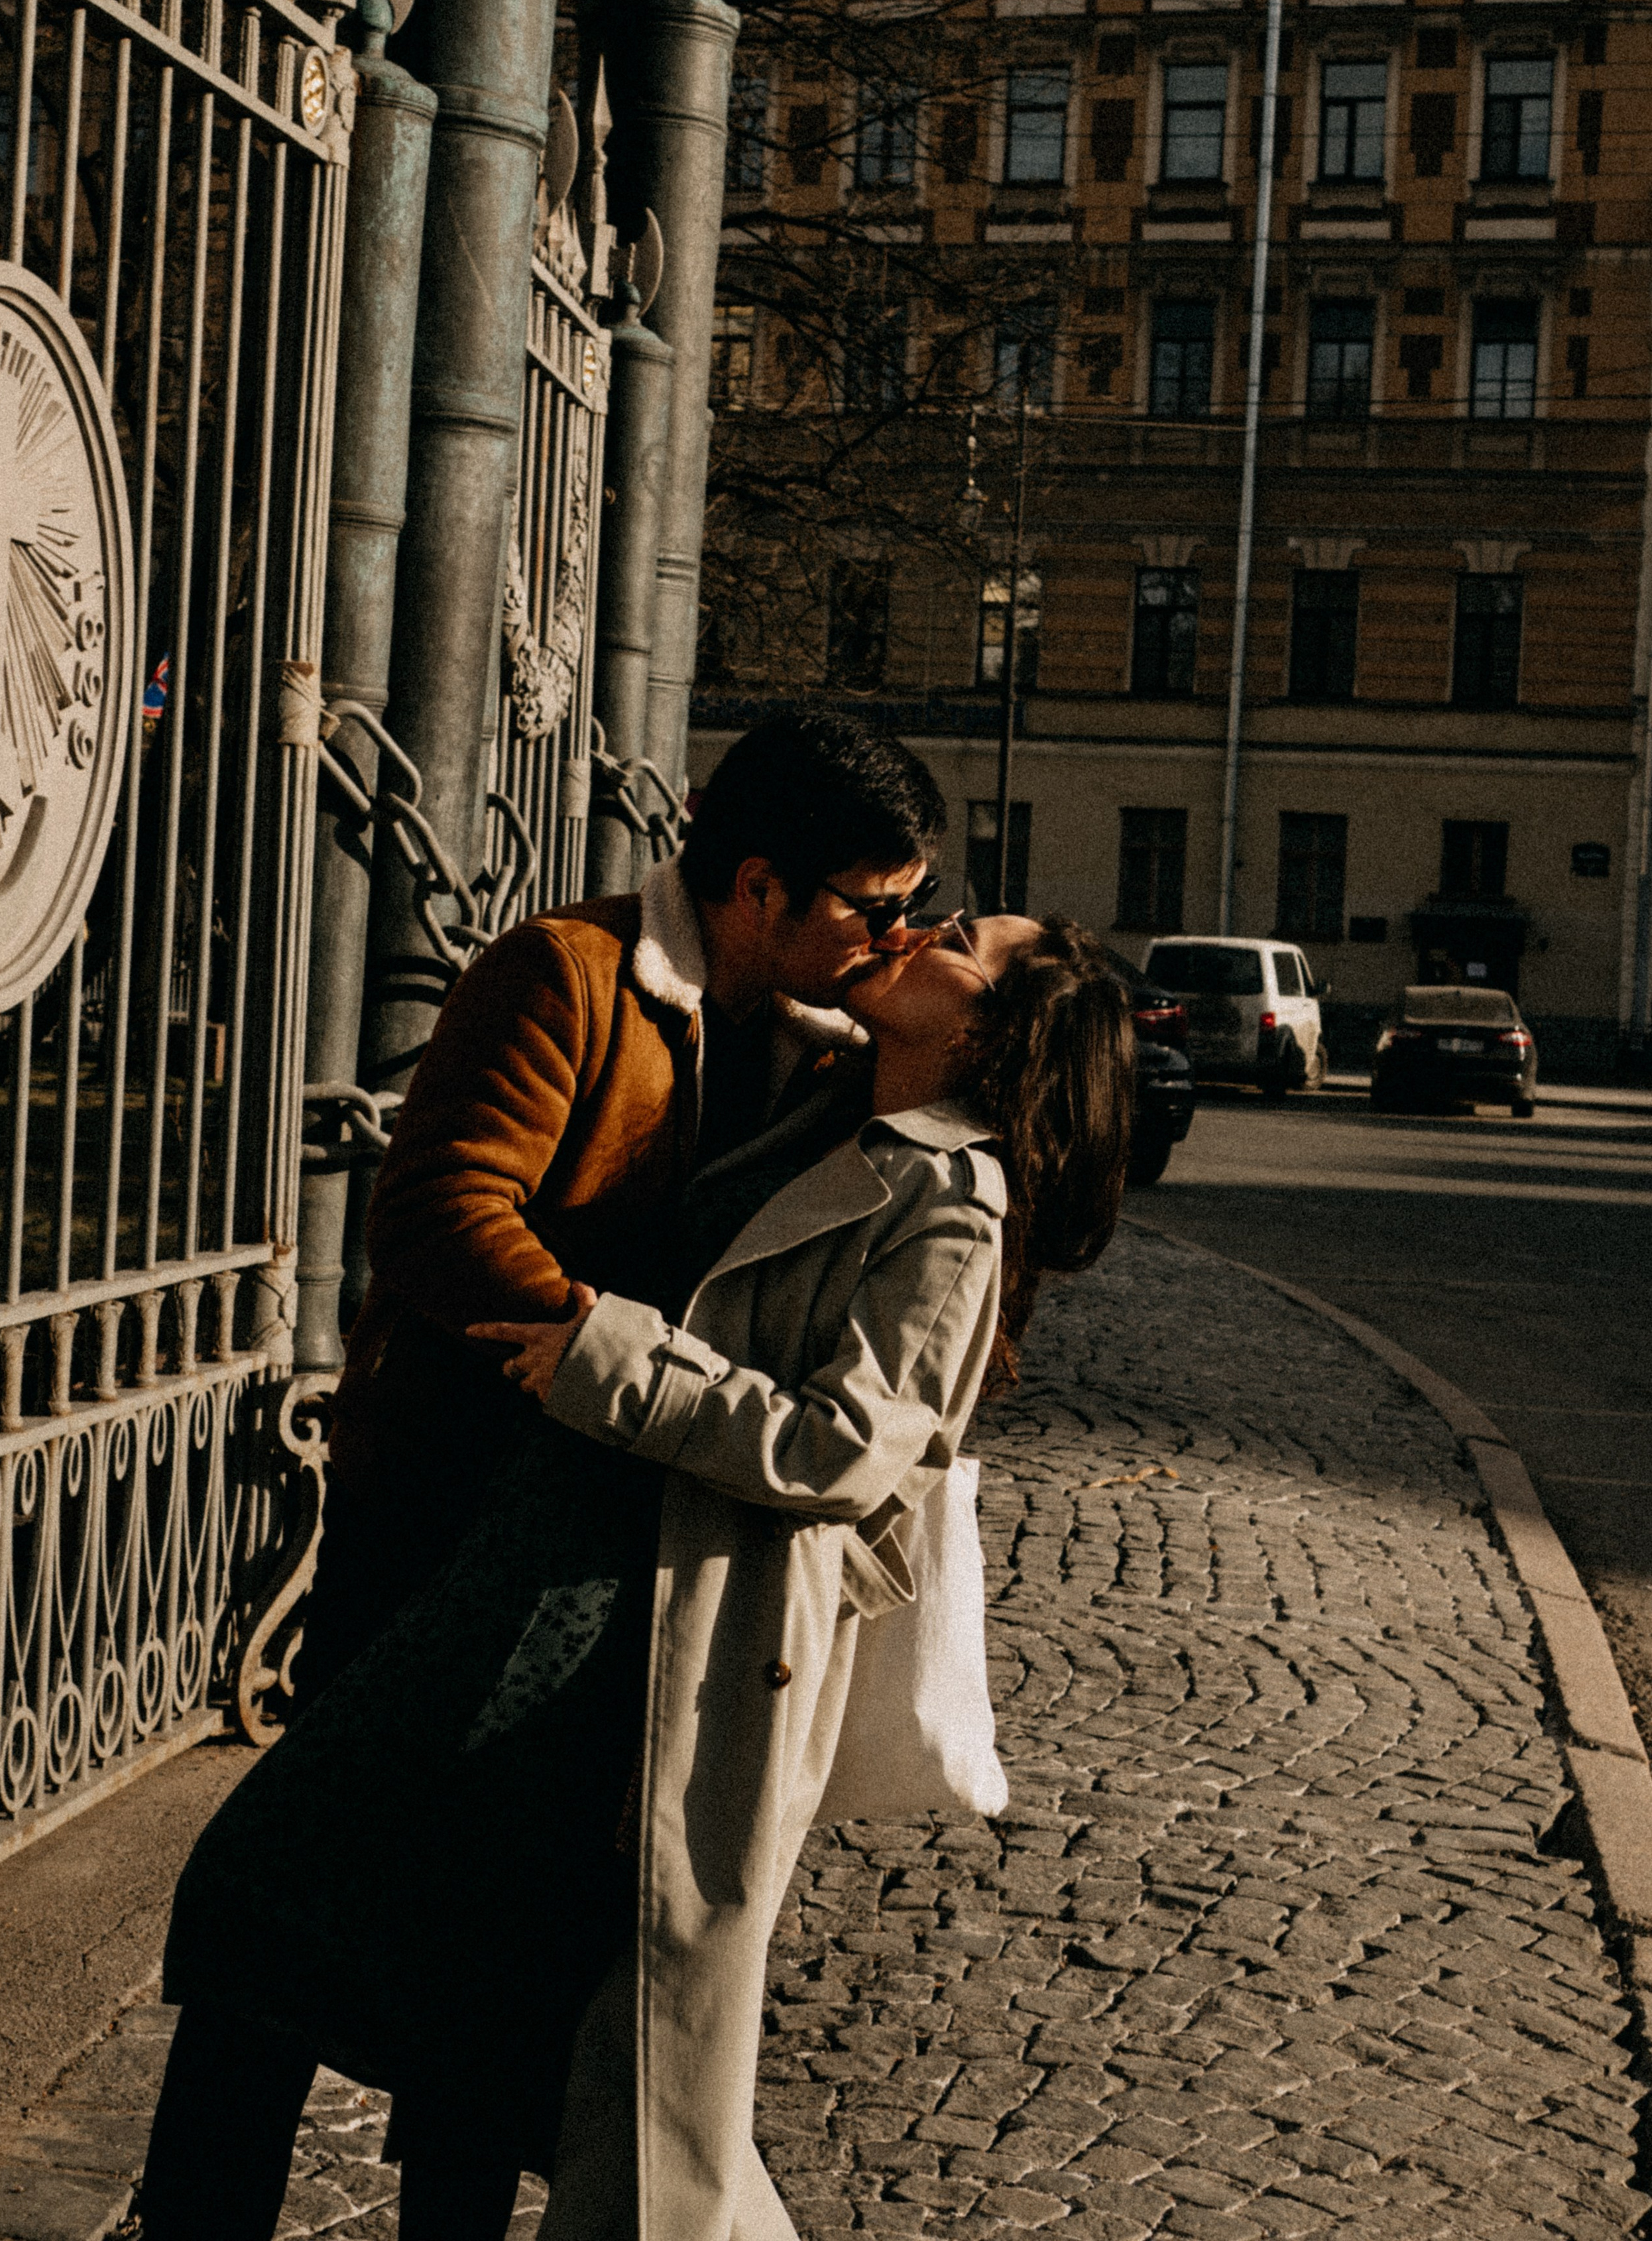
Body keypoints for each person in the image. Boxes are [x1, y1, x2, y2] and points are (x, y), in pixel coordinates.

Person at [136, 908, 1134, 2240]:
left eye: (959, 935)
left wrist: (609, 1359)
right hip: (547, 1570)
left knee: (296, 1897)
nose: (917, 924)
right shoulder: (823, 1109)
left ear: (989, 1025)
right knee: (371, 1943)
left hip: (642, 1630)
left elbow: (846, 1451)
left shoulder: (952, 1204)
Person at [292, 710, 948, 1707]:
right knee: (356, 1834)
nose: (896, 933)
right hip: (455, 1490)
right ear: (760, 887)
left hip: (640, 1513)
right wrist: (594, 1346)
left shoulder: (827, 1046)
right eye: (873, 904)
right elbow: (438, 1211)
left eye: (916, 901)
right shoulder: (566, 971)